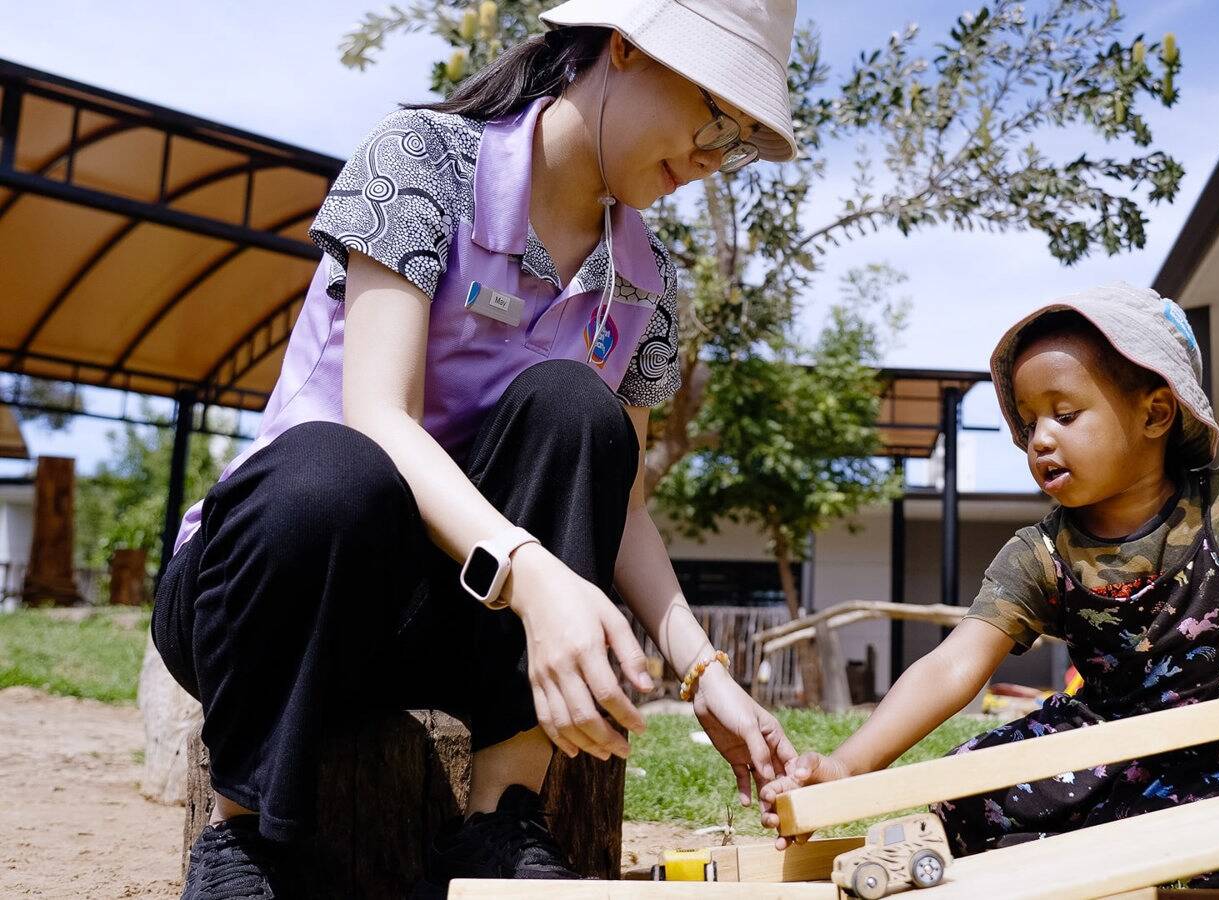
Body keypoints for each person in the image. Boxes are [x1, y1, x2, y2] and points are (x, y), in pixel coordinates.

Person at [151, 2, 803, 896]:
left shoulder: (647, 280)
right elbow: (380, 415)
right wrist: (534, 576)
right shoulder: (421, 156)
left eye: (739, 144)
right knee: (338, 470)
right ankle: (244, 836)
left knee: (580, 408)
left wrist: (704, 673)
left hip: (450, 628)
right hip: (282, 591)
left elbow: (623, 509)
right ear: (621, 47)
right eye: (717, 117)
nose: (710, 157)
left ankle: (504, 820)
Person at [762, 283, 1219, 886]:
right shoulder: (1039, 551)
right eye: (1028, 421)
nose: (1039, 438)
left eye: (1064, 415)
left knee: (1213, 856)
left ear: (1155, 414)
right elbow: (954, 664)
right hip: (1104, 747)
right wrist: (849, 764)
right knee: (970, 795)